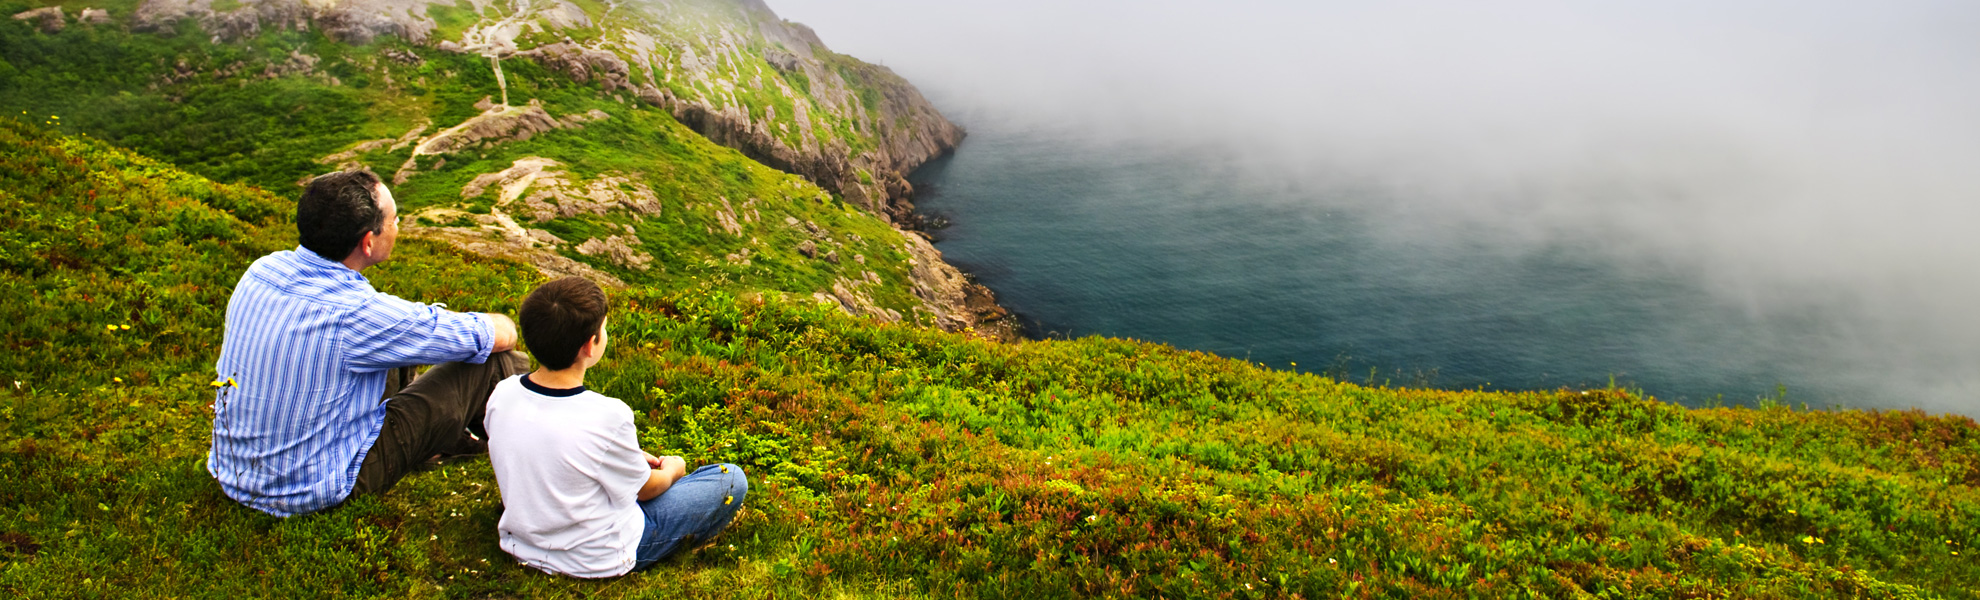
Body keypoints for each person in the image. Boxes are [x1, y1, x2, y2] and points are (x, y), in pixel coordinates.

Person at [208, 169, 526, 517]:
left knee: (400, 347)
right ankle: (530, 462)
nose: (398, 224)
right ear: (368, 241)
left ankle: (448, 441)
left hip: (234, 471)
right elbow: (494, 335)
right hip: (313, 486)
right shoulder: (358, 314)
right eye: (393, 219)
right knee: (498, 361)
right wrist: (505, 323)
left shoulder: (261, 270)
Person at [485, 276, 748, 578]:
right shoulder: (608, 415)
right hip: (597, 556)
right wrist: (673, 469)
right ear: (590, 344)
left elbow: (554, 447)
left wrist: (630, 457)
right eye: (604, 328)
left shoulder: (503, 393)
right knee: (730, 479)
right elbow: (645, 491)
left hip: (522, 541)